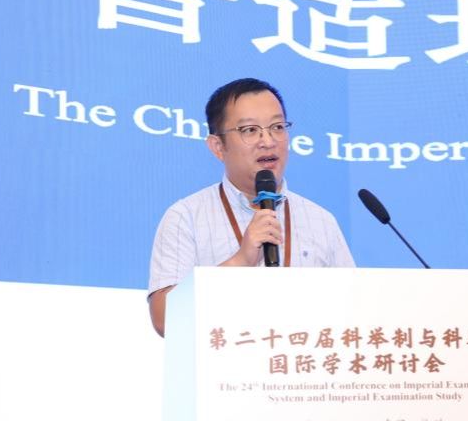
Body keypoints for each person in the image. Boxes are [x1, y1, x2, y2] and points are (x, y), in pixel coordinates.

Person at [147, 78, 354, 336]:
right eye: (250, 130)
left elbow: (356, 310)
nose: (268, 141)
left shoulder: (321, 220)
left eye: (277, 127)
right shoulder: (186, 217)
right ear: (218, 147)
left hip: (303, 359)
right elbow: (164, 319)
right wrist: (241, 261)